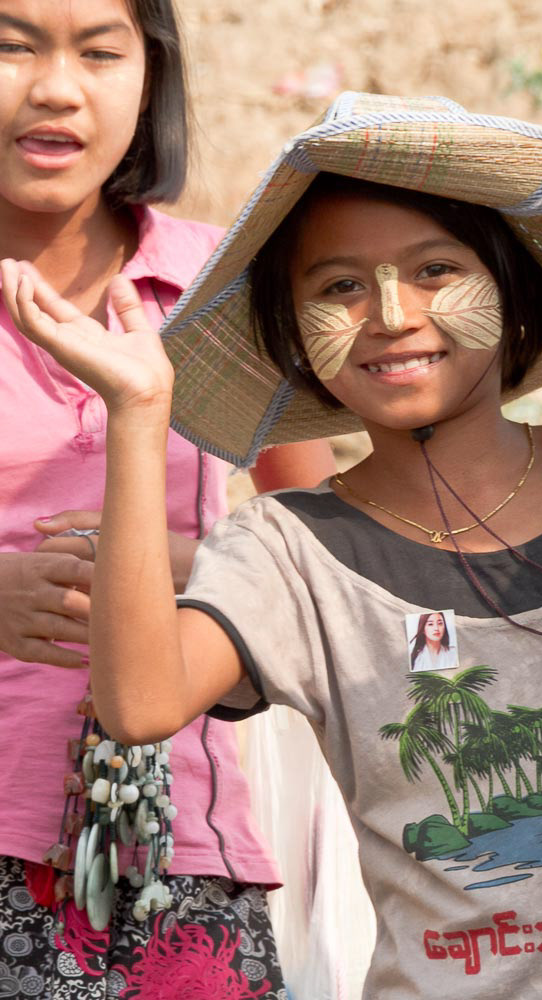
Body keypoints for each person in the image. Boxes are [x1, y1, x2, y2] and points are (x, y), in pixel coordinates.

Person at [4, 92, 542, 998]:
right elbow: (141, 701)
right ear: (293, 337)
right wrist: (139, 412)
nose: (390, 314)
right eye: (338, 288)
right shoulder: (288, 550)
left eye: (436, 270)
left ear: (514, 296)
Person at [0, 1, 334, 997]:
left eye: (100, 51)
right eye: (10, 46)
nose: (58, 85)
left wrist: (195, 576)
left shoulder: (219, 285)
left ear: (152, 77)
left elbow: (315, 541)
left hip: (180, 855)